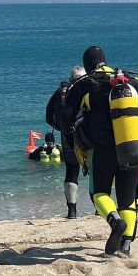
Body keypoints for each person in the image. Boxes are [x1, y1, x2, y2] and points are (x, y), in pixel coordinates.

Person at [62, 46, 138, 256]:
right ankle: (126, 246)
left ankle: (115, 222)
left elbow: (66, 120)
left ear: (87, 66)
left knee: (99, 193)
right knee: (127, 200)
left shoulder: (84, 84)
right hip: (133, 144)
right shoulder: (128, 81)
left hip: (103, 149)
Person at [46, 66, 86, 219]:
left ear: (70, 79)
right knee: (96, 170)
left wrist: (61, 128)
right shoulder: (89, 89)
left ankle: (72, 211)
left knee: (72, 171)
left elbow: (48, 116)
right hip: (89, 136)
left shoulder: (61, 92)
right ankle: (99, 208)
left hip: (68, 135)